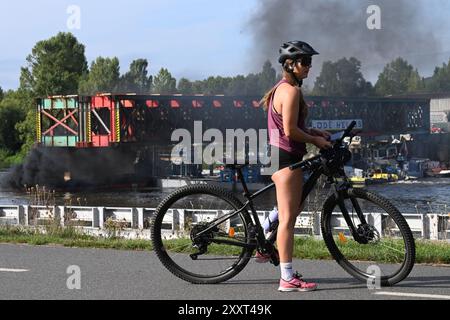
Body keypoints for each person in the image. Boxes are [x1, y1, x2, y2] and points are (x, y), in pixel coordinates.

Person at [260, 41, 332, 292]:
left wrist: (313, 131)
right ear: (289, 64)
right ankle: (287, 279)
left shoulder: (281, 88)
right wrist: (314, 141)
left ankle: (265, 235)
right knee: (289, 221)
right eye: (305, 62)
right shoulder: (290, 92)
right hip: (286, 159)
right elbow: (290, 131)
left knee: (295, 205)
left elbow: (286, 126)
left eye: (311, 62)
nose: (309, 67)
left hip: (280, 155)